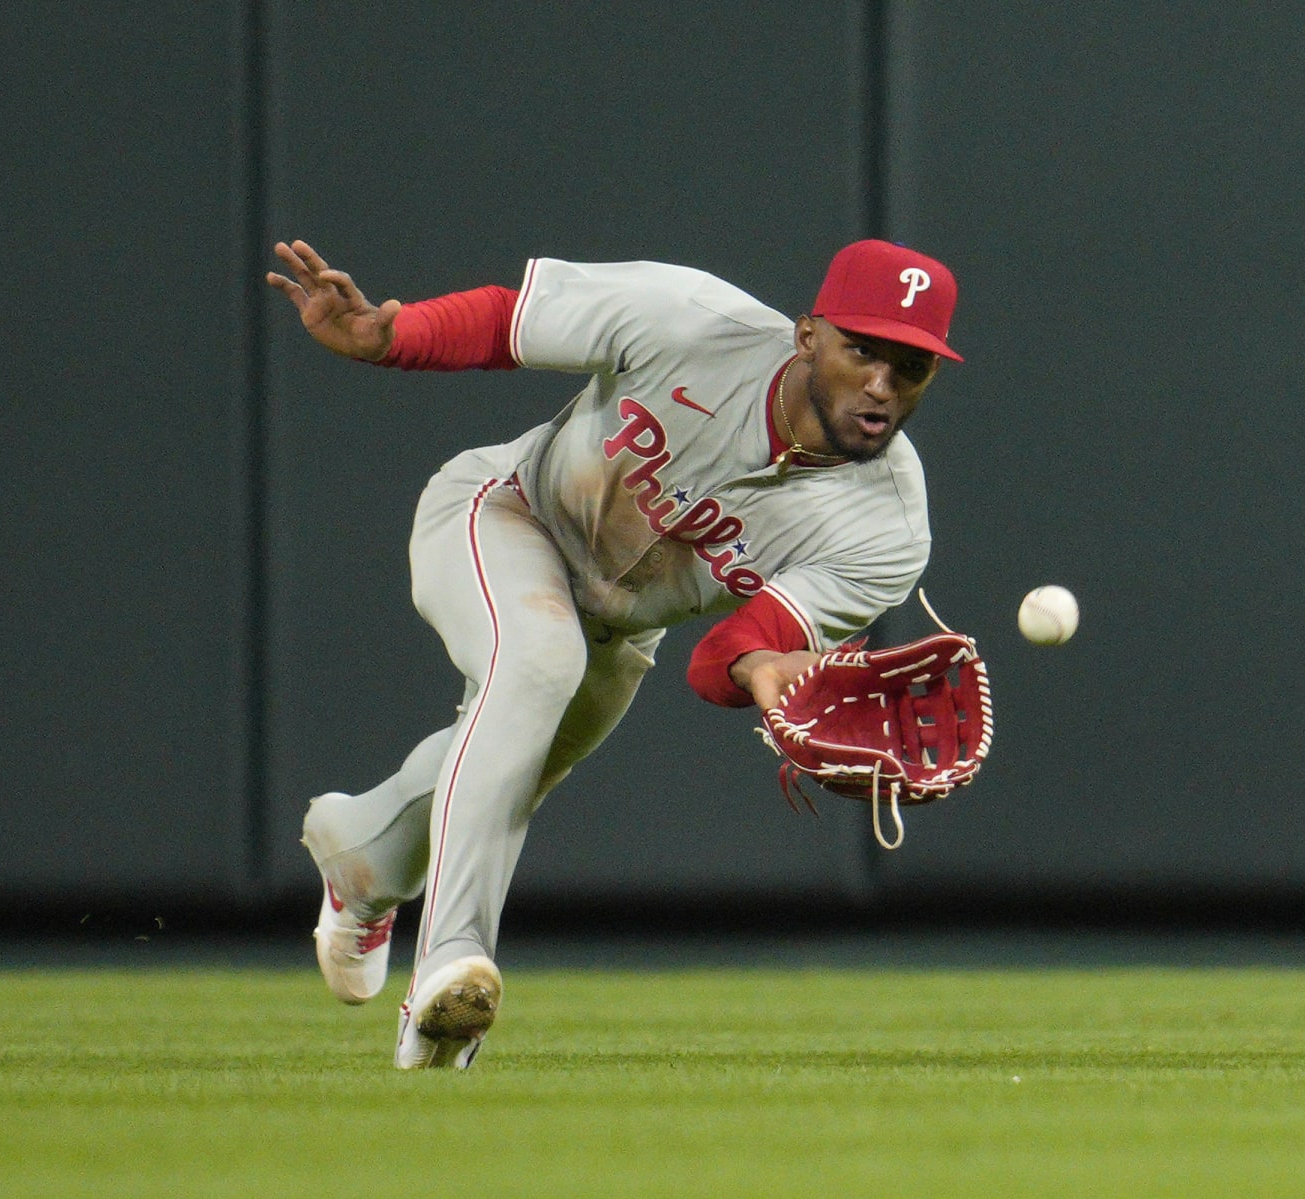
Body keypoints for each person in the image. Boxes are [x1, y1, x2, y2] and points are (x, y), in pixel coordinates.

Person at [266, 236, 963, 1069]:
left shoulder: (887, 526)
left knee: (507, 763)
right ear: (809, 334)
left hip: (623, 634)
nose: (882, 385)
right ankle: (450, 966)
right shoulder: (691, 317)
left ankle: (364, 854)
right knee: (539, 663)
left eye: (911, 367)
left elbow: (722, 656)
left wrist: (763, 671)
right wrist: (393, 337)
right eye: (864, 351)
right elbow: (507, 322)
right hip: (503, 514)